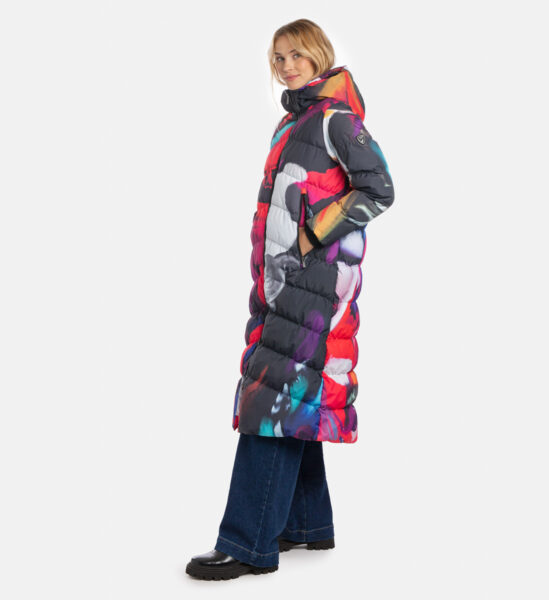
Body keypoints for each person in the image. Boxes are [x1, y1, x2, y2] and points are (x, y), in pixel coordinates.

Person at [185, 18, 395, 581]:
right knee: (290, 396)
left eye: (297, 54)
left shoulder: (335, 120)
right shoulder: (293, 121)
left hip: (314, 287)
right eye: (278, 58)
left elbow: (379, 188)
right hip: (285, 282)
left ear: (319, 54)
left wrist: (311, 236)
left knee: (270, 400)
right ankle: (306, 524)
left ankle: (247, 542)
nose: (287, 65)